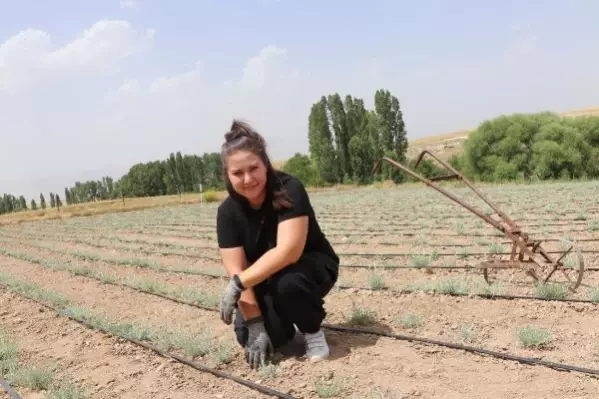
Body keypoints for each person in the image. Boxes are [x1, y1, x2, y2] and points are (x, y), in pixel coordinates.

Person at [216, 119, 339, 370]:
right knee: (255, 337)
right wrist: (255, 325)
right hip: (264, 278)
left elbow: (288, 252)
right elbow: (236, 269)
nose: (248, 179)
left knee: (289, 284)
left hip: (309, 268)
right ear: (227, 175)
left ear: (265, 165)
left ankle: (312, 331)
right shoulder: (227, 213)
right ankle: (284, 322)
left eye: (254, 168)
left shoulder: (289, 189)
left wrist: (238, 284)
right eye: (238, 173)